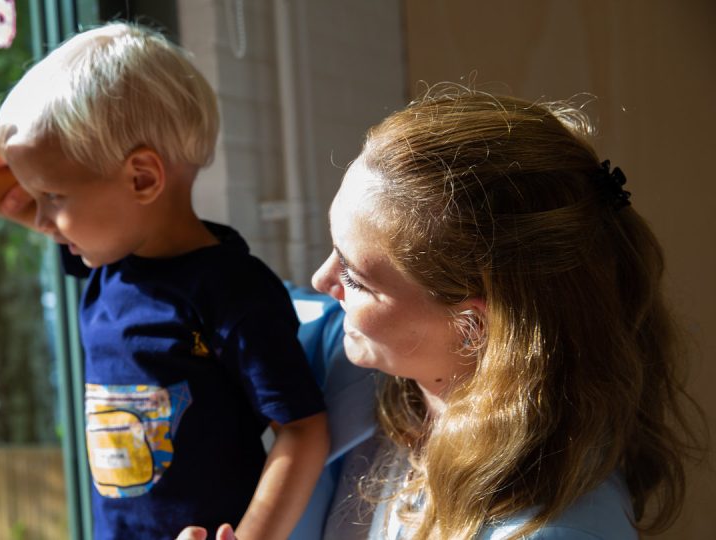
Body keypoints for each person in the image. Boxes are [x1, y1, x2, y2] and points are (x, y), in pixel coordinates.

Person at [0, 22, 329, 540]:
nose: (40, 220)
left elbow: (303, 429)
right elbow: (27, 203)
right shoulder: (109, 267)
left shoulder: (231, 292)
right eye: (35, 195)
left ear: (141, 178)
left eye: (53, 197)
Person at [297, 84, 703, 539]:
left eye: (354, 278)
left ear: (474, 328)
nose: (321, 281)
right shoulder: (364, 365)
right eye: (334, 248)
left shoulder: (555, 530)